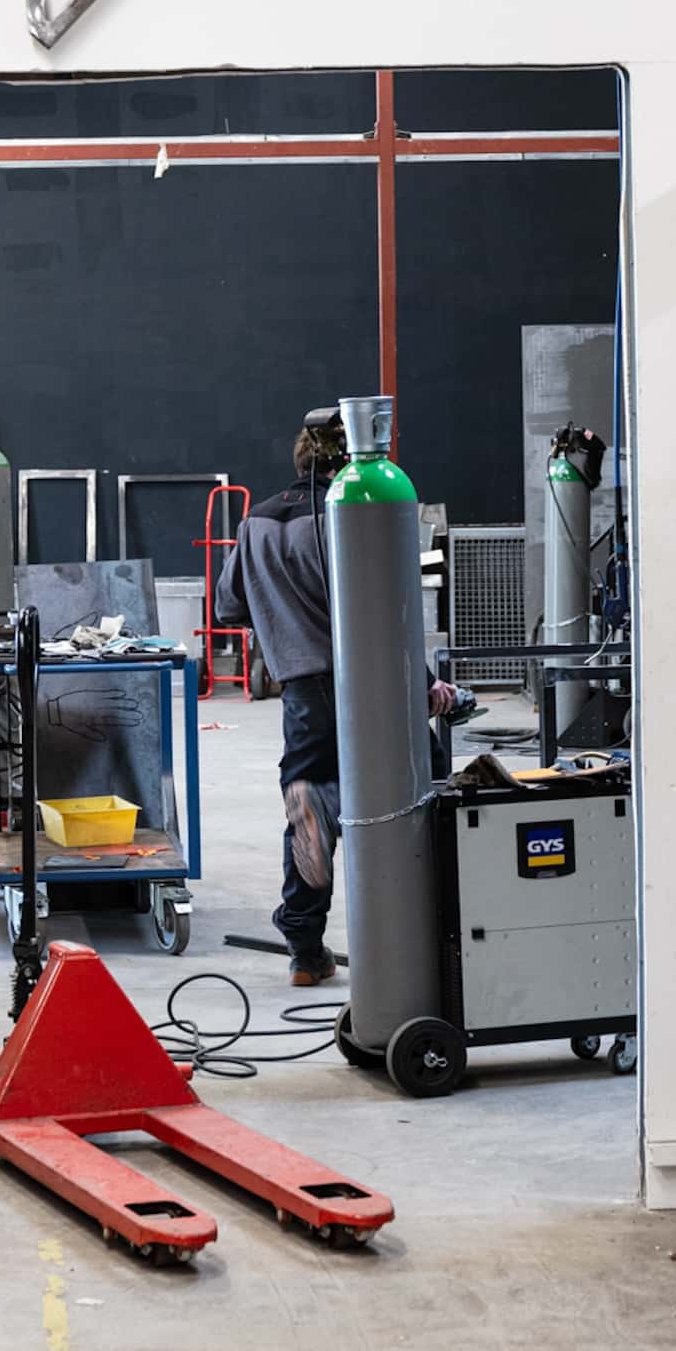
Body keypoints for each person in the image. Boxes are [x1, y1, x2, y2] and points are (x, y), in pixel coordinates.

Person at [215, 410, 453, 989]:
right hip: (370, 682)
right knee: (429, 789)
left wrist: (283, 616)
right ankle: (433, 932)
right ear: (351, 457)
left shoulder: (257, 521)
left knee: (309, 810)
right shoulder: (350, 512)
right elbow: (384, 609)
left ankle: (305, 952)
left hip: (302, 693)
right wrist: (425, 682)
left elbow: (229, 606)